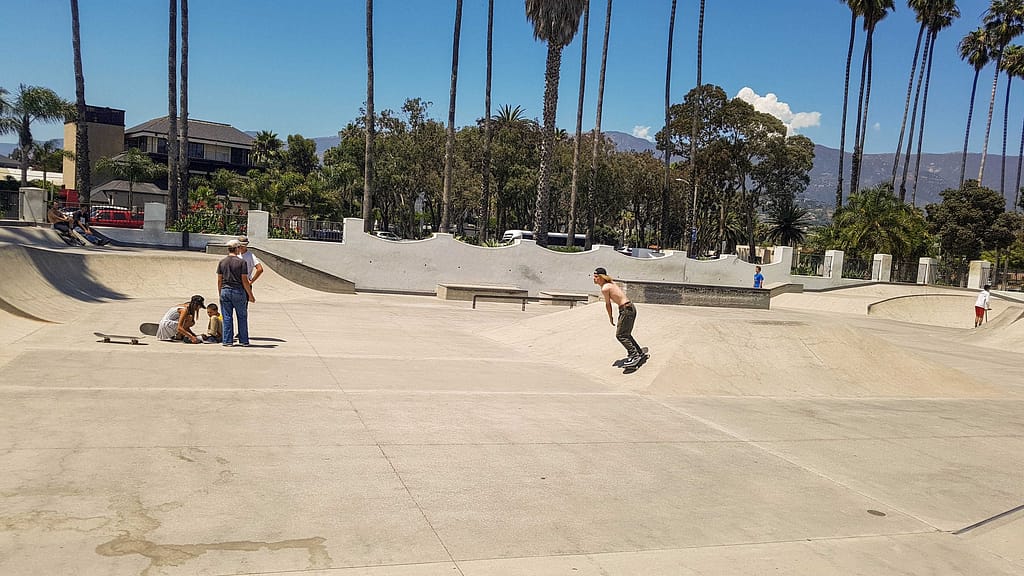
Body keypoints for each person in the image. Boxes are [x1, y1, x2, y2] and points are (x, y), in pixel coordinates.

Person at [593, 267, 647, 367]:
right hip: (629, 308)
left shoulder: (605, 288)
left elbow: (608, 304)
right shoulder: (611, 283)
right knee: (626, 334)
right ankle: (639, 353)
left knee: (620, 335)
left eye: (596, 277)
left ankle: (634, 356)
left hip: (626, 310)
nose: (594, 278)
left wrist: (610, 317)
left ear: (601, 277)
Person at [218, 239, 255, 347]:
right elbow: (244, 280)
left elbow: (219, 280)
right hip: (238, 291)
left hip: (225, 290)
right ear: (237, 248)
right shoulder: (241, 262)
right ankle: (243, 340)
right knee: (242, 316)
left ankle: (227, 340)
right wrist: (250, 295)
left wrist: (220, 292)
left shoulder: (222, 262)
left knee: (227, 317)